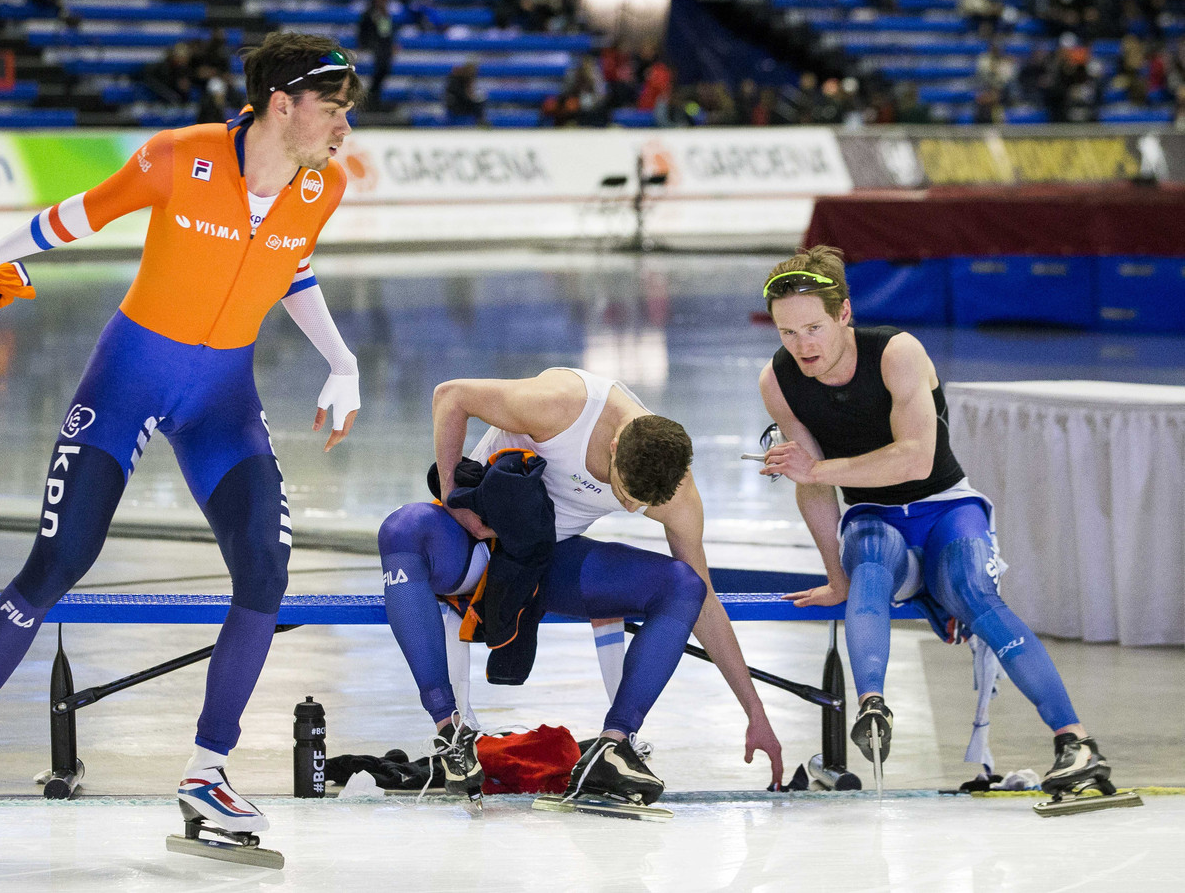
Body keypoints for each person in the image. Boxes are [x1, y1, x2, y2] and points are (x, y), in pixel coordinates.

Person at [0, 32, 362, 845]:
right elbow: (75, 216)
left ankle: (207, 770)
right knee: (59, 562)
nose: (346, 126)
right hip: (129, 379)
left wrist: (342, 359)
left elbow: (293, 267)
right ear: (283, 104)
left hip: (222, 399)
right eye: (334, 108)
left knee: (266, 569)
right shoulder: (182, 157)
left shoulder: (324, 184)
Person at [755, 245, 1116, 796]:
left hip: (946, 503)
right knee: (867, 569)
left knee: (974, 589)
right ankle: (873, 706)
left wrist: (820, 466)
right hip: (874, 514)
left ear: (845, 314)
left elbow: (916, 457)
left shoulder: (898, 353)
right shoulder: (777, 381)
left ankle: (1076, 742)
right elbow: (812, 485)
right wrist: (836, 576)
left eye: (813, 328)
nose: (802, 346)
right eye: (787, 334)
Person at [378, 368, 784, 807]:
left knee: (684, 585)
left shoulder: (676, 490)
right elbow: (449, 395)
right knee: (403, 529)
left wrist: (754, 710)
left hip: (546, 561)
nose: (630, 506)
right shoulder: (563, 404)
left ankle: (613, 746)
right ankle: (450, 732)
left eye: (643, 504)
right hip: (475, 545)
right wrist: (455, 500)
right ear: (614, 446)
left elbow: (705, 603)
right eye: (625, 492)